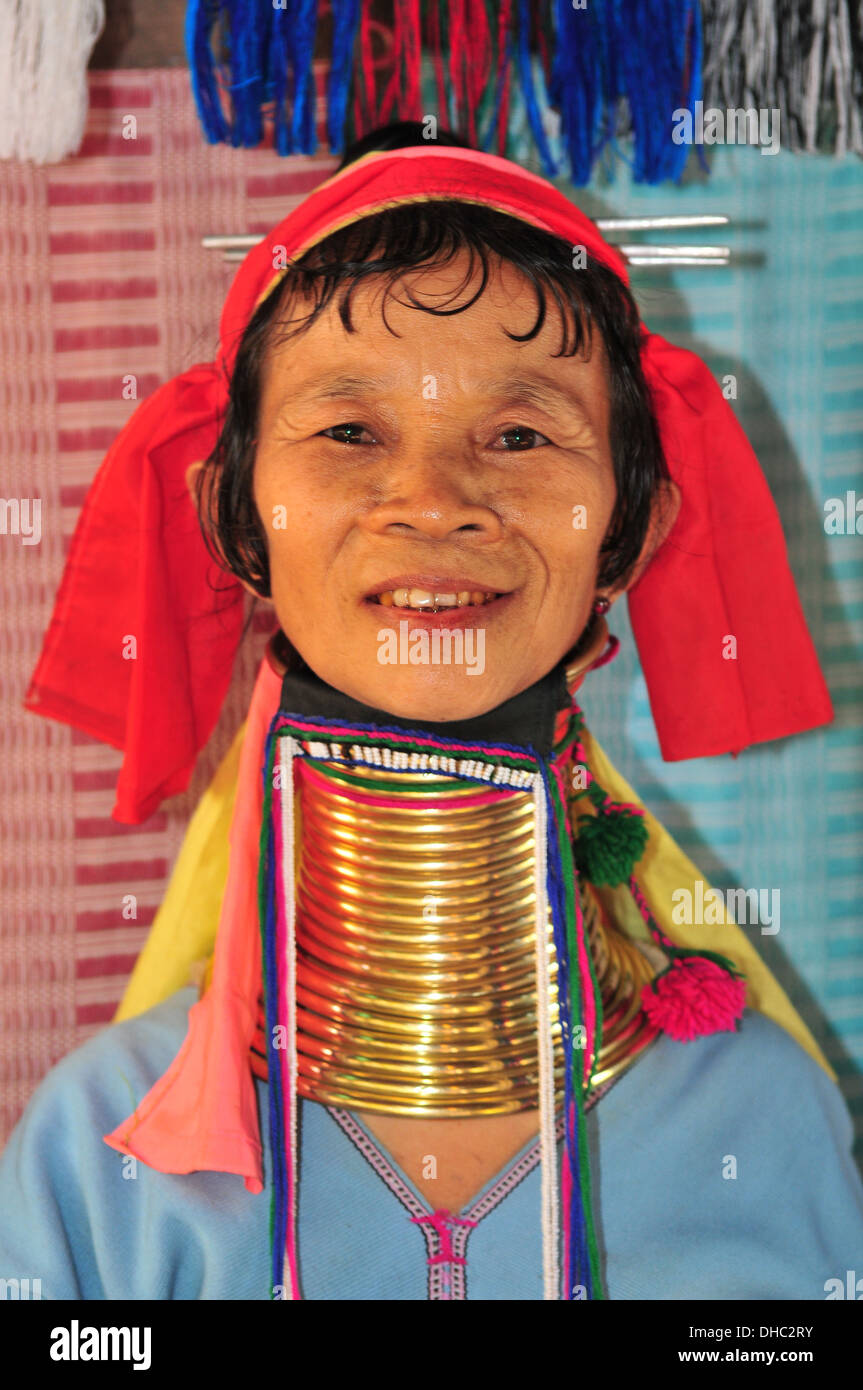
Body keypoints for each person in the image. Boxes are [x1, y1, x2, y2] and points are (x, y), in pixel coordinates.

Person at [3, 124, 862, 1301]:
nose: (434, 501)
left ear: (631, 527)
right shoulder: (99, 1153)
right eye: (348, 432)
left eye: (519, 434)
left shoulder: (761, 1119)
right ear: (233, 521)